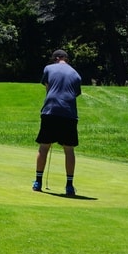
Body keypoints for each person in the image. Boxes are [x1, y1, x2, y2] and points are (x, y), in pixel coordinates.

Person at [33, 49, 82, 196]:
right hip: (69, 114)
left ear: (56, 58)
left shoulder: (48, 68)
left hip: (50, 111)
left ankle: (38, 182)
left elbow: (48, 89)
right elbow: (75, 93)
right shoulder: (76, 74)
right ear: (66, 59)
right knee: (69, 149)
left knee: (44, 147)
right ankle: (69, 185)